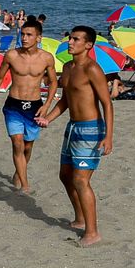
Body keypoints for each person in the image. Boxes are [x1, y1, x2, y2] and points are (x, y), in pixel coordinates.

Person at [34, 26, 115, 247]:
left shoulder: (93, 69)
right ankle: (80, 219)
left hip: (91, 129)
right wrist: (48, 118)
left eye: (76, 39)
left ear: (88, 45)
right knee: (65, 175)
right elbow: (66, 101)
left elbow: (107, 103)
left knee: (81, 180)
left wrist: (108, 136)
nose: (70, 42)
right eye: (70, 38)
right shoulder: (68, 68)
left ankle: (93, 232)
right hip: (72, 128)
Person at [0, 18, 59, 193]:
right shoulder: (11, 55)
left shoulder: (47, 58)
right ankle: (25, 185)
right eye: (22, 34)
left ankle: (19, 172)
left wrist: (46, 105)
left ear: (39, 37)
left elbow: (54, 82)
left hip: (35, 106)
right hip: (13, 105)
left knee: (28, 146)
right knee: (17, 143)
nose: (24, 38)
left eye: (29, 35)